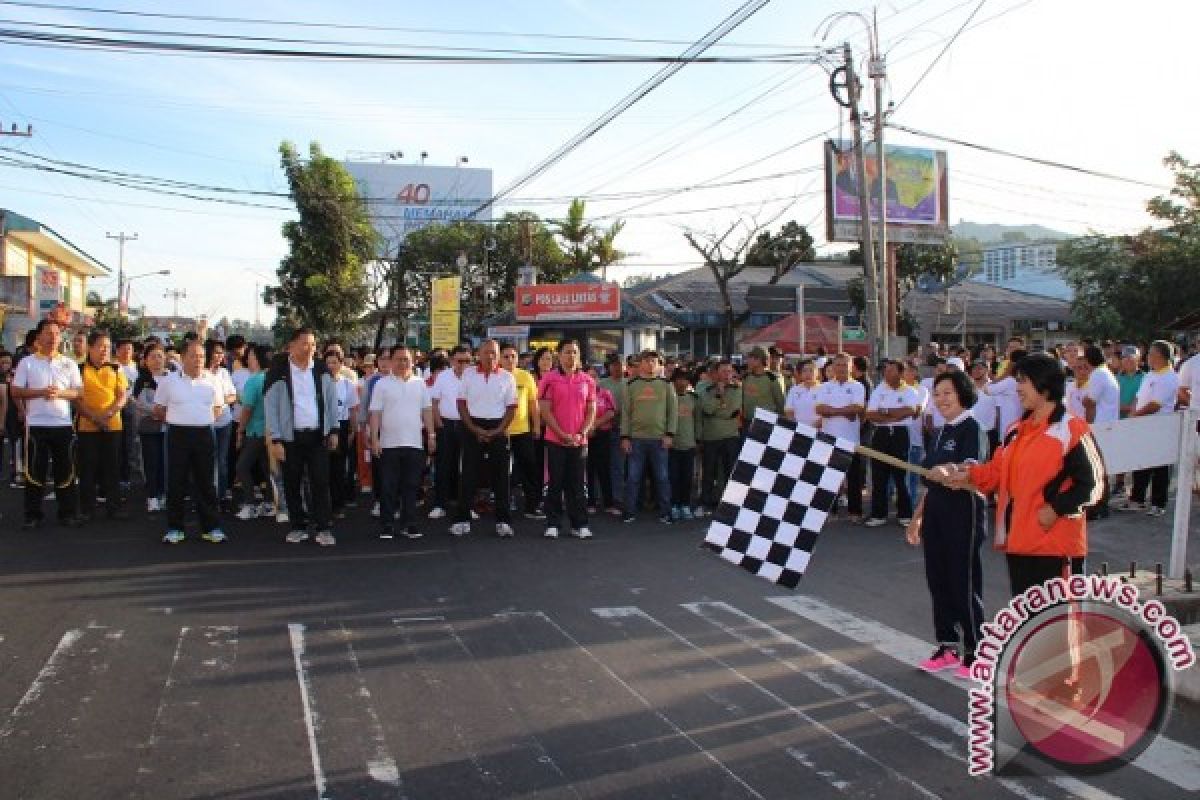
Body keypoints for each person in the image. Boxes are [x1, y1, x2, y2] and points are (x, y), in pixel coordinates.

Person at [936, 353, 1103, 597]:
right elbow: (996, 472)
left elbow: (1094, 485)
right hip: (1020, 543)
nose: (1018, 388)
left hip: (1055, 546)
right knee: (1027, 625)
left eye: (1023, 381)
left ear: (1044, 386)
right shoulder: (1016, 430)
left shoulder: (1071, 429)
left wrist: (1056, 508)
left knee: (1057, 627)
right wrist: (964, 475)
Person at [905, 369, 989, 679]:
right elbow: (929, 482)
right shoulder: (938, 432)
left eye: (948, 394)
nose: (941, 400)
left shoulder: (973, 428)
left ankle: (976, 651)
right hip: (937, 513)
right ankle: (947, 645)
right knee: (937, 580)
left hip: (963, 514)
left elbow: (973, 466)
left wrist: (951, 468)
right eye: (937, 394)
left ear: (963, 394)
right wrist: (917, 519)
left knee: (962, 582)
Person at [264, 327, 341, 547]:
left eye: (314, 344)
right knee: (292, 482)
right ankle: (298, 526)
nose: (310, 349)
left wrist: (334, 430)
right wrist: (276, 439)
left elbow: (330, 400)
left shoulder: (320, 369)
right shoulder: (278, 371)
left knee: (320, 482)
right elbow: (271, 407)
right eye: (305, 344)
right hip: (290, 438)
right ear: (292, 345)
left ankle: (323, 527)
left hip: (317, 436)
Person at [152, 339, 228, 544]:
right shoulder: (169, 381)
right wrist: (180, 417)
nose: (198, 360)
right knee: (176, 482)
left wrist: (200, 418)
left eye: (202, 356)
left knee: (206, 483)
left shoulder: (212, 381)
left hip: (204, 434)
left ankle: (211, 528)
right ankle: (175, 528)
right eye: (193, 356)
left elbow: (218, 408)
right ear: (183, 357)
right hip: (177, 434)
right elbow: (158, 409)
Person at [10, 320, 84, 529]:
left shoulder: (69, 364)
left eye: (56, 334)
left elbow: (79, 392)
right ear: (39, 337)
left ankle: (67, 513)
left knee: (66, 471)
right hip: (36, 426)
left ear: (61, 338)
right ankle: (33, 515)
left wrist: (59, 393)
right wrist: (41, 392)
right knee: (35, 472)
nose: (52, 338)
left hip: (62, 425)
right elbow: (15, 391)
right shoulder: (27, 363)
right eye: (48, 334)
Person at [452, 340, 518, 537]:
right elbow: (461, 404)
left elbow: (511, 408)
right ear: (478, 354)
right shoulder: (469, 374)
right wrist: (474, 429)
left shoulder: (507, 377)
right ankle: (463, 519)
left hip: (498, 427)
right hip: (473, 426)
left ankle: (503, 521)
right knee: (468, 475)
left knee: (501, 477)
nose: (490, 357)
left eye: (494, 354)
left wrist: (497, 430)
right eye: (487, 353)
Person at [369, 345, 434, 541]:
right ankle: (387, 525)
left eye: (406, 359)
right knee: (388, 487)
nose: (402, 363)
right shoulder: (382, 384)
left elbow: (427, 411)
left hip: (414, 444)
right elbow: (375, 414)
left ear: (413, 361)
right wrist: (374, 439)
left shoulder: (420, 384)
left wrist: (431, 436)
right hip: (388, 444)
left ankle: (409, 524)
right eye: (398, 359)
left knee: (411, 486)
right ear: (391, 361)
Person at [539, 338, 596, 539]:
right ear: (559, 355)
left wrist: (582, 433)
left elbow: (591, 410)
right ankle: (553, 523)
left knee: (578, 484)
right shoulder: (549, 379)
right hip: (556, 440)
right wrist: (561, 434)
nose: (570, 356)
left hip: (579, 441)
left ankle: (579, 524)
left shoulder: (587, 380)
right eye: (566, 352)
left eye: (574, 352)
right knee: (555, 483)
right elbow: (545, 410)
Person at [76, 331, 129, 522]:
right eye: (100, 346)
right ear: (90, 348)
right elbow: (76, 399)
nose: (105, 350)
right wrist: (94, 417)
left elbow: (122, 397)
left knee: (112, 467)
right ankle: (87, 509)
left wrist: (107, 414)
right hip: (87, 426)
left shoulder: (116, 369)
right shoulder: (80, 369)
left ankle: (113, 507)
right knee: (88, 467)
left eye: (108, 346)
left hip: (112, 424)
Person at [1123, 340, 1179, 516]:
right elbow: (1139, 398)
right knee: (1141, 462)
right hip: (1144, 425)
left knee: (1161, 467)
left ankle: (1158, 503)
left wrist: (1135, 416)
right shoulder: (1151, 374)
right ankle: (1137, 499)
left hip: (1160, 427)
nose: (1147, 356)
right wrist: (1134, 411)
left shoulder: (1170, 377)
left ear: (1160, 356)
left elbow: (1155, 405)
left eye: (1150, 353)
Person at [620, 350, 677, 525]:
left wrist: (669, 434)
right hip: (636, 438)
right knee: (633, 478)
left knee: (662, 478)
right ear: (640, 364)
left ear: (659, 364)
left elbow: (672, 412)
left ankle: (666, 513)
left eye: (654, 361)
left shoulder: (667, 385)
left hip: (660, 439)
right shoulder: (631, 385)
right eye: (647, 360)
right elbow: (626, 414)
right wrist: (625, 437)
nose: (650, 364)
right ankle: (629, 512)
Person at [863, 359, 920, 527]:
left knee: (901, 475)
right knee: (879, 475)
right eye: (885, 370)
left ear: (901, 373)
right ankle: (878, 514)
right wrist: (894, 415)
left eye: (891, 371)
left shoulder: (909, 391)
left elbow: (910, 410)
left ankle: (905, 514)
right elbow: (871, 414)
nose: (886, 373)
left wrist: (886, 411)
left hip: (901, 435)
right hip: (881, 434)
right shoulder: (879, 390)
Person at [814, 353, 866, 521]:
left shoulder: (858, 386)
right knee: (829, 478)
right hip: (829, 439)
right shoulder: (824, 386)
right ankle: (831, 511)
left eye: (844, 365)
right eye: (837, 365)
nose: (841, 368)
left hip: (851, 440)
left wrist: (833, 412)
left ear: (851, 366)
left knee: (854, 479)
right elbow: (820, 409)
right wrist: (844, 411)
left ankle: (855, 512)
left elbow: (857, 409)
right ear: (832, 367)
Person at [1075, 345, 1120, 518]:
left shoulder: (1098, 375)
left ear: (1088, 360)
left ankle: (1099, 506)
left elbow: (1090, 401)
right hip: (1105, 424)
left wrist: (1085, 399)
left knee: (1098, 467)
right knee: (1100, 466)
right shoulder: (1104, 372)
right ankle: (1099, 504)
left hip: (1100, 426)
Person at [234, 344, 278, 520]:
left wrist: (240, 429)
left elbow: (247, 408)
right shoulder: (272, 377)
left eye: (251, 356)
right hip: (270, 431)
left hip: (255, 431)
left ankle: (250, 504)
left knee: (242, 467)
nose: (248, 359)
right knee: (266, 468)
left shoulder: (254, 380)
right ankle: (268, 502)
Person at [501, 343, 544, 519]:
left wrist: (536, 426)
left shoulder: (526, 376)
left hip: (523, 431)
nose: (510, 359)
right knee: (503, 470)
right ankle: (504, 503)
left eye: (513, 356)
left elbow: (534, 404)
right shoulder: (496, 376)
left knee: (529, 468)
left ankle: (531, 506)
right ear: (500, 358)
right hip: (501, 431)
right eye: (506, 356)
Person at [429, 345, 470, 520]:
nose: (463, 364)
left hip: (468, 425)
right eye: (460, 361)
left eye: (467, 361)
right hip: (446, 424)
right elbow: (434, 402)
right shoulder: (443, 377)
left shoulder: (474, 376)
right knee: (443, 465)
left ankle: (467, 505)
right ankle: (440, 504)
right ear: (452, 360)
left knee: (468, 467)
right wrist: (439, 424)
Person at [699, 360, 742, 514]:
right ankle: (706, 502)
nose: (727, 375)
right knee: (709, 472)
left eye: (729, 371)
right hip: (711, 436)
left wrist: (718, 409)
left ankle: (730, 503)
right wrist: (719, 395)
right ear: (716, 373)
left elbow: (732, 411)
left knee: (730, 471)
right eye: (723, 371)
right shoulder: (705, 389)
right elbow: (707, 409)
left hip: (730, 435)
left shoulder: (737, 389)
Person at [323, 346, 359, 518]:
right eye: (328, 362)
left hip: (342, 427)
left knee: (339, 468)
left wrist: (353, 430)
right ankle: (323, 505)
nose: (331, 365)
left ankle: (338, 505)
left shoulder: (348, 384)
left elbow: (353, 409)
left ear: (341, 364)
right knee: (322, 468)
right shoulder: (319, 383)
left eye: (334, 362)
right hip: (323, 428)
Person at [133, 342, 169, 513]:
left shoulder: (172, 378)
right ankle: (152, 496)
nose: (157, 360)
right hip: (149, 427)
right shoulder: (142, 380)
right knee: (151, 462)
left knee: (166, 462)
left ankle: (163, 494)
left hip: (169, 428)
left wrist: (167, 414)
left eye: (160, 356)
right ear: (145, 361)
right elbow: (140, 403)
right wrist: (157, 412)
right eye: (152, 357)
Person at [205, 339, 238, 506]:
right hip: (205, 423)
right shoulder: (202, 372)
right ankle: (207, 496)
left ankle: (222, 494)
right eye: (216, 352)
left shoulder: (224, 373)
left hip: (224, 421)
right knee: (207, 461)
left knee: (222, 460)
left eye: (221, 353)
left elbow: (233, 395)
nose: (219, 356)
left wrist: (222, 401)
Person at [669, 367, 700, 520]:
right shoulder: (668, 397)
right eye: (678, 379)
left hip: (689, 444)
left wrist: (698, 440)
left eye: (685, 379)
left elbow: (698, 421)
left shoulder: (694, 398)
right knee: (673, 477)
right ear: (673, 381)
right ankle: (674, 505)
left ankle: (685, 505)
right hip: (672, 445)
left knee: (687, 477)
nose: (682, 382)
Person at [598, 353, 628, 513]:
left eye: (620, 364)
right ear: (608, 367)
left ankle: (617, 499)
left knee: (618, 467)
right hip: (603, 430)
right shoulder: (602, 383)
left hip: (622, 430)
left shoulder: (629, 383)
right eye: (614, 365)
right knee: (601, 466)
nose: (617, 367)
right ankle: (602, 498)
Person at [587, 374, 620, 515]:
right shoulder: (582, 393)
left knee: (604, 470)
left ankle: (609, 504)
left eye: (594, 376)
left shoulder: (605, 393)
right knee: (588, 470)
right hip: (586, 435)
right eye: (589, 376)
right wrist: (588, 428)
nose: (592, 379)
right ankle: (590, 503)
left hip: (603, 435)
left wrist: (595, 424)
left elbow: (611, 412)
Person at [113, 338, 140, 491]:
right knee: (115, 443)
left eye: (129, 349)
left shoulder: (137, 369)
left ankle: (125, 477)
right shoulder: (112, 367)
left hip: (131, 407)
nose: (126, 351)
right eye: (123, 348)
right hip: (115, 407)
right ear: (117, 351)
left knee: (128, 444)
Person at [741, 346, 786, 423]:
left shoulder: (773, 379)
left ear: (759, 360)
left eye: (751, 358)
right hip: (747, 421)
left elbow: (781, 403)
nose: (748, 360)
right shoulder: (746, 377)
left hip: (766, 423)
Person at [783, 360, 821, 429]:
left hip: (818, 433)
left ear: (817, 373)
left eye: (811, 370)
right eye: (804, 371)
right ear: (801, 374)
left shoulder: (823, 390)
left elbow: (825, 415)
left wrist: (812, 429)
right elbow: (789, 411)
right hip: (798, 432)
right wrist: (798, 428)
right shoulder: (794, 390)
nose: (808, 374)